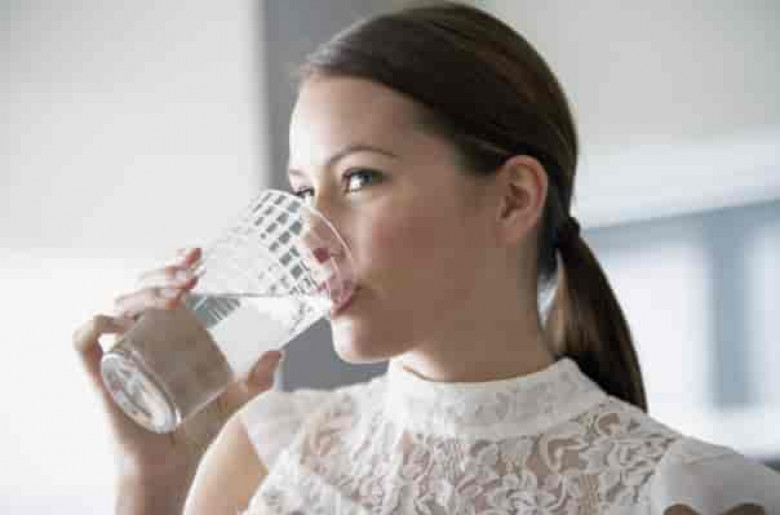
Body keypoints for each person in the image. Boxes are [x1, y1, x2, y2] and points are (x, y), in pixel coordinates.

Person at [73, 2, 780, 514]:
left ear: (513, 199)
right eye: (303, 191)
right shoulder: (265, 449)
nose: (310, 235)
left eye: (359, 178)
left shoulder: (692, 493)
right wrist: (152, 482)